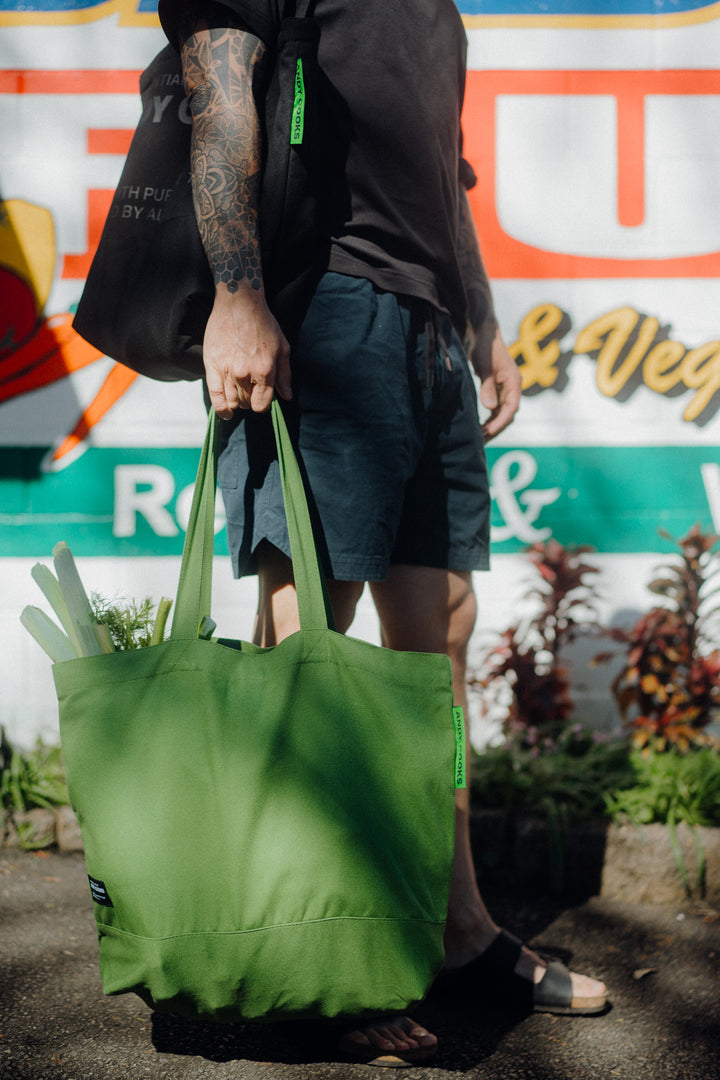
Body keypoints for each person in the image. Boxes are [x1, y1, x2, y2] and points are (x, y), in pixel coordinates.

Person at [159, 0, 608, 1065]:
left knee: (440, 626)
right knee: (307, 637)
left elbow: (439, 171)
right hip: (326, 311)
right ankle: (292, 947)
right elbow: (221, 89)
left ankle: (458, 928)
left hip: (424, 327)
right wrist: (237, 293)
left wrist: (478, 317)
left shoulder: (436, 10)